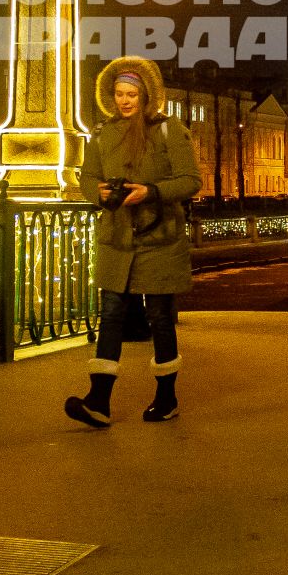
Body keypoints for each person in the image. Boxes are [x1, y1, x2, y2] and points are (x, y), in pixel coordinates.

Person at [65, 57, 202, 427]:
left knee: (159, 317)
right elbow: (86, 177)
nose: (124, 101)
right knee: (110, 314)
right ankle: (98, 400)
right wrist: (99, 191)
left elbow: (190, 180)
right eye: (119, 94)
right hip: (117, 238)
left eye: (131, 94)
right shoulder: (102, 133)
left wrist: (151, 191)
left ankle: (166, 396)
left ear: (146, 96)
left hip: (159, 238)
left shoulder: (168, 130)